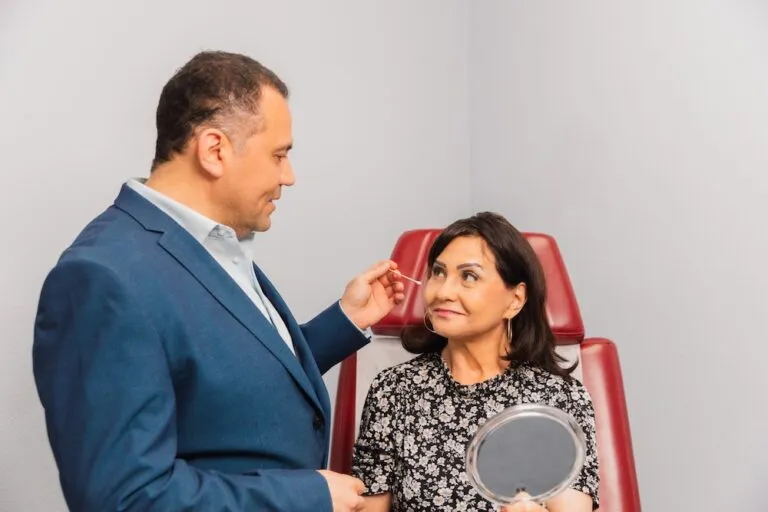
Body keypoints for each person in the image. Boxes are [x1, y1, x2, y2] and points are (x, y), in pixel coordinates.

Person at [32, 50, 405, 512]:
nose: (289, 176)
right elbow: (125, 499)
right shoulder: (102, 279)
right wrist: (309, 496)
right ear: (214, 150)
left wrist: (345, 321)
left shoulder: (211, 242)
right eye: (279, 155)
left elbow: (225, 375)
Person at [351, 212, 600, 511]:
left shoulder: (560, 398)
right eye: (438, 273)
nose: (443, 292)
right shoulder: (393, 389)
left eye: (469, 276)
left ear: (515, 300)